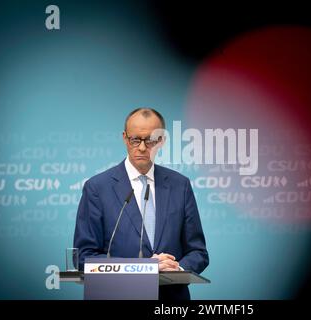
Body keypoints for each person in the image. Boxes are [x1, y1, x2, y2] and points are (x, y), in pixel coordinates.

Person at [73, 108, 209, 300]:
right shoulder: (97, 188)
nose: (143, 148)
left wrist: (176, 269)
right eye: (135, 139)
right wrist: (147, 268)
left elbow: (198, 251)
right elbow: (84, 258)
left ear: (161, 140)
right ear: (124, 138)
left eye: (150, 140)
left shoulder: (180, 185)